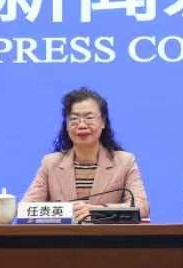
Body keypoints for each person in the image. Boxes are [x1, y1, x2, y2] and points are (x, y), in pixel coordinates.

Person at [22, 87, 150, 221]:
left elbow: (142, 208)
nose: (82, 125)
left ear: (103, 122)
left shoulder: (124, 162)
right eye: (74, 119)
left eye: (89, 117)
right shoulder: (50, 164)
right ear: (66, 124)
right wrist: (64, 212)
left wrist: (97, 212)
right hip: (63, 234)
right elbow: (26, 209)